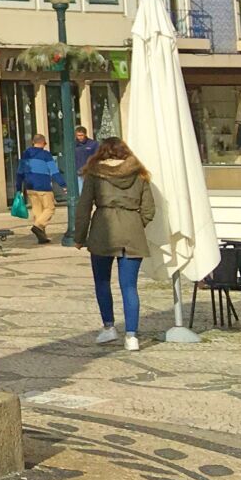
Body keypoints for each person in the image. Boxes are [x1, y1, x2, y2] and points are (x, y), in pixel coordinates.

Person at [73, 136, 156, 351]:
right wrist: (136, 225)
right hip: (132, 230)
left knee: (102, 282)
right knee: (129, 286)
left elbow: (83, 208)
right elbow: (149, 210)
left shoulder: (95, 173)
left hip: (103, 229)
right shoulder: (139, 174)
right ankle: (132, 336)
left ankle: (109, 327)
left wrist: (80, 237)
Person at [14, 134, 67, 244]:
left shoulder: (26, 154)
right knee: (50, 209)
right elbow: (54, 171)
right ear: (43, 143)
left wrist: (19, 187)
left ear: (33, 142)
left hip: (30, 187)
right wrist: (63, 185)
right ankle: (38, 227)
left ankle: (42, 237)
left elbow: (20, 172)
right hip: (43, 186)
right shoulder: (46, 155)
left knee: (37, 212)